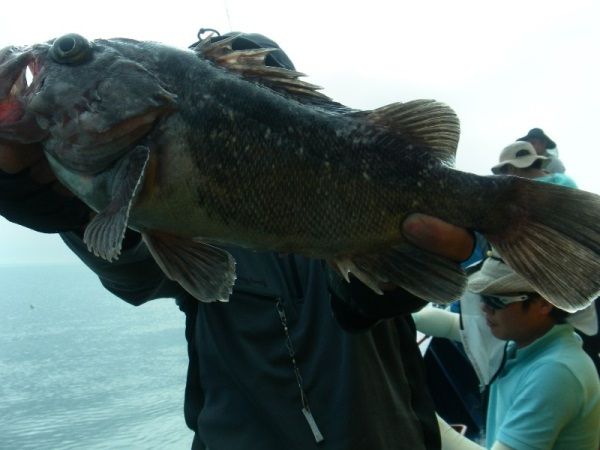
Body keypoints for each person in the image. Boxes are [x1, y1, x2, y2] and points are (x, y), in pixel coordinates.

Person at [0, 31, 477, 450]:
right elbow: (138, 272)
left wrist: (386, 285)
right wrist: (73, 213)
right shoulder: (191, 219)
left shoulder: (356, 197)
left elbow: (384, 290)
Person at [415, 251, 600, 450]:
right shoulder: (528, 341)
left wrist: (419, 415)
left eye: (496, 301)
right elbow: (451, 326)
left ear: (544, 304)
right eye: (483, 297)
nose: (485, 308)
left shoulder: (555, 372)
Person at [491, 140, 577, 188]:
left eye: (503, 171)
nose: (504, 176)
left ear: (511, 169)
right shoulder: (565, 181)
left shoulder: (521, 193)